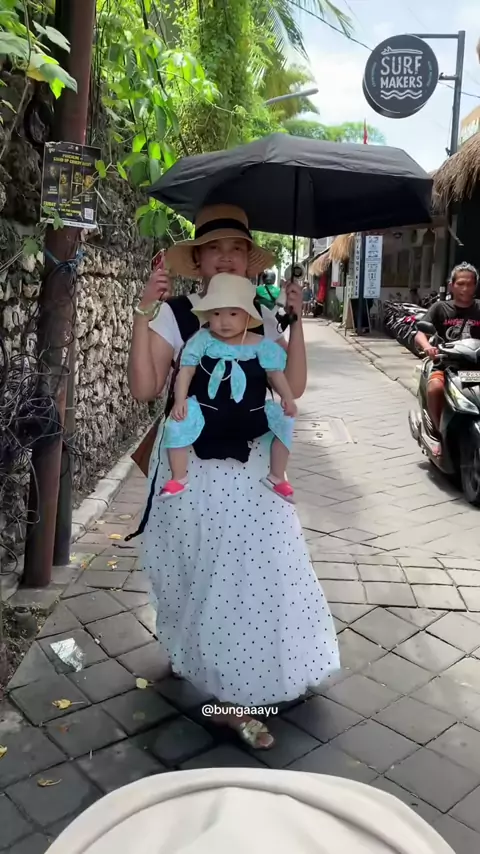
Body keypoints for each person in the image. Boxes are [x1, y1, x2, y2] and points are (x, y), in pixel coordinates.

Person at [128, 204, 339, 751]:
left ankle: (236, 692)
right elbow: (146, 388)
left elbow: (293, 386)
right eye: (214, 248)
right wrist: (144, 313)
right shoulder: (177, 315)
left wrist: (294, 321)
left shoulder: (261, 316)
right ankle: (203, 658)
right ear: (197, 260)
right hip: (191, 465)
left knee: (252, 572)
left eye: (237, 248)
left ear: (249, 260)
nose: (226, 257)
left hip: (252, 468)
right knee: (194, 572)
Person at [161, 273, 296, 502]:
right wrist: (180, 400)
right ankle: (178, 477)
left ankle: (277, 475)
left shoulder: (261, 345)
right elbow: (186, 370)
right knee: (177, 423)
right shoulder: (202, 340)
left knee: (285, 421)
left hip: (250, 413)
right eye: (216, 313)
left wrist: (288, 397)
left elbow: (275, 374)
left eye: (233, 314)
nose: (224, 322)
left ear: (247, 316)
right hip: (208, 411)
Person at [414, 262, 480, 433]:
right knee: (435, 388)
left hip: (474, 369)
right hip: (446, 366)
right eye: (461, 284)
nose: (465, 288)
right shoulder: (440, 308)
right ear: (452, 285)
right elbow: (420, 334)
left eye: (470, 284)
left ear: (475, 286)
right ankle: (439, 433)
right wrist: (428, 347)